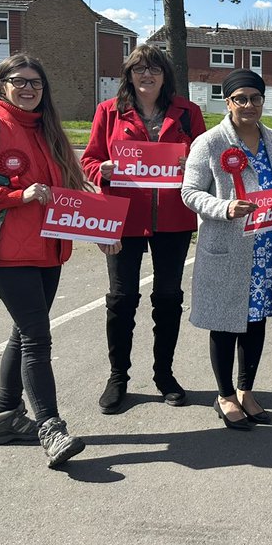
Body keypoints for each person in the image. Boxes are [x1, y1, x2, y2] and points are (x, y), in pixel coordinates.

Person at [0, 54, 106, 468]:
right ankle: (51, 427)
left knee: (24, 331)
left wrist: (101, 230)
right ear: (1, 85)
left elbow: (74, 187)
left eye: (37, 82)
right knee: (37, 336)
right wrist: (16, 196)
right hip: (9, 251)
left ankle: (5, 418)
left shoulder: (48, 130)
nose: (29, 88)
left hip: (50, 250)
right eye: (20, 81)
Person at [82, 44, 206, 413]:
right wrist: (99, 169)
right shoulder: (109, 112)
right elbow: (89, 158)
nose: (146, 75)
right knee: (122, 300)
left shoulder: (188, 113)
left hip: (173, 221)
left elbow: (203, 161)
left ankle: (164, 374)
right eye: (139, 69)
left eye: (154, 69)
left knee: (168, 300)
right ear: (129, 75)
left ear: (165, 75)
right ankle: (118, 376)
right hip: (123, 219)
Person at [181, 69, 272, 431]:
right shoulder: (210, 142)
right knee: (225, 323)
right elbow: (189, 192)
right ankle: (225, 394)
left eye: (256, 98)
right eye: (240, 99)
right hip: (227, 249)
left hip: (265, 249)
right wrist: (224, 208)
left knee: (256, 321)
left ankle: (246, 390)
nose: (249, 105)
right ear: (228, 102)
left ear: (264, 102)